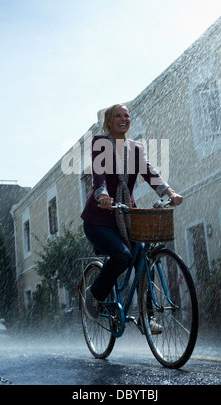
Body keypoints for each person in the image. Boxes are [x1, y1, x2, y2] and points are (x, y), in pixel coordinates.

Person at [81, 103, 183, 323]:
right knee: (123, 256)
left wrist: (170, 192)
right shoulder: (100, 143)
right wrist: (102, 195)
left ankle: (148, 315)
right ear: (109, 122)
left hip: (127, 216)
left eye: (126, 115)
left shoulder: (136, 148)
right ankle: (93, 294)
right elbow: (98, 176)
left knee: (145, 257)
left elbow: (149, 172)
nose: (123, 118)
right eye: (118, 115)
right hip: (98, 219)